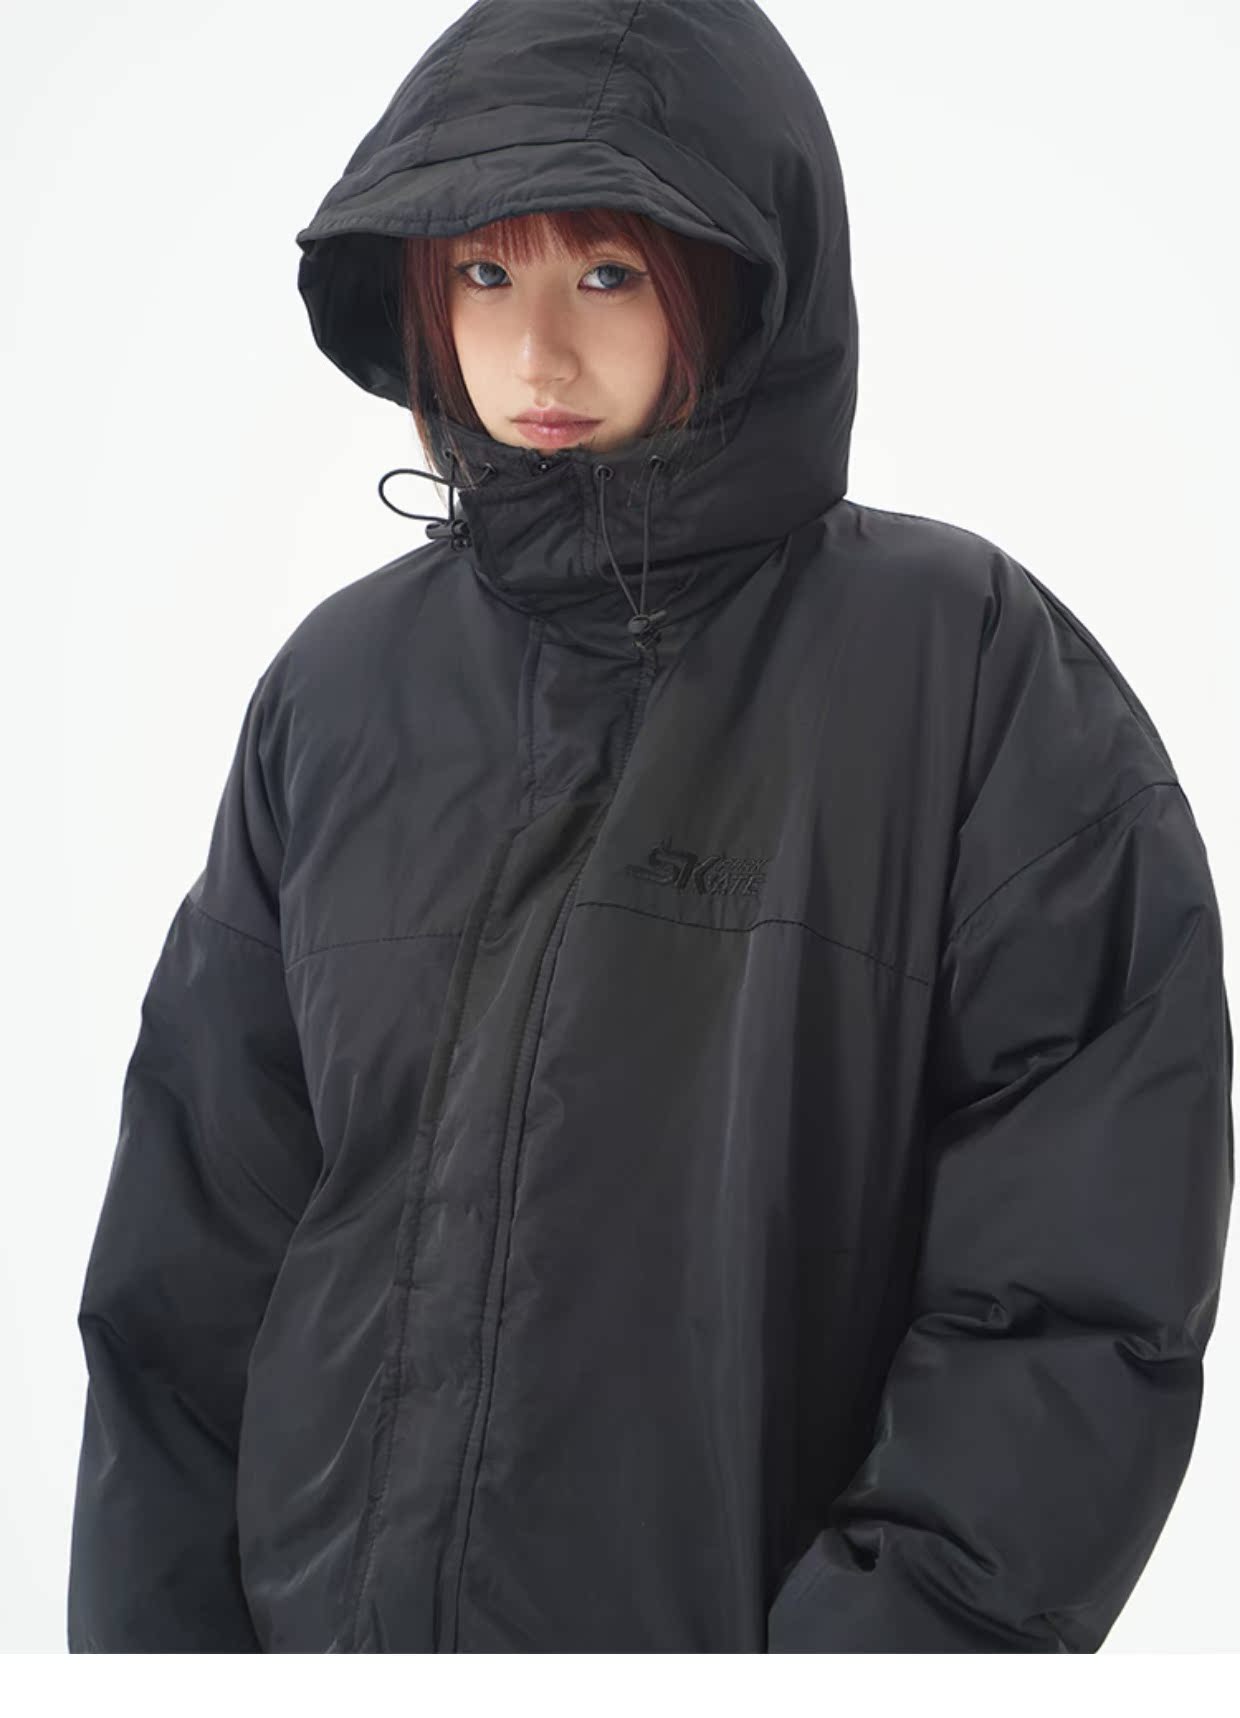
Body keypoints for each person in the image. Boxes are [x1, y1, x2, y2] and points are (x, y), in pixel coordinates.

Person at [67, 0, 1233, 1654]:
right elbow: (189, 1278)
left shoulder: (961, 668)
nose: (537, 354)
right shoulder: (340, 689)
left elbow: (1073, 1286)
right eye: (487, 273)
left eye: (608, 273)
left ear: (746, 279)